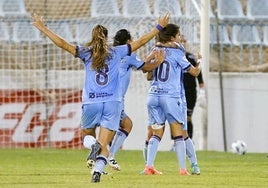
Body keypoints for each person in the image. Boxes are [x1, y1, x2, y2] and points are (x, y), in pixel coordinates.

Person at [31, 12, 169, 183]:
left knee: (87, 135)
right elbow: (140, 42)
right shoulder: (117, 51)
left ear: (93, 37)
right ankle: (97, 172)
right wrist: (158, 27)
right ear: (107, 37)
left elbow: (62, 44)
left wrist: (42, 28)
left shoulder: (85, 53)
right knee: (105, 143)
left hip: (91, 102)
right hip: (112, 103)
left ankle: (92, 146)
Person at [142, 23, 201, 175]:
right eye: (179, 34)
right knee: (180, 134)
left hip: (154, 95)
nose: (181, 37)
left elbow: (146, 70)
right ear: (173, 37)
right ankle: (183, 169)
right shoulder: (177, 53)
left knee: (156, 133)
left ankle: (149, 166)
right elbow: (194, 72)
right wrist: (200, 62)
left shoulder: (155, 50)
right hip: (171, 96)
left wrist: (155, 64)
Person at [108, 29, 165, 171]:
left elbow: (140, 64)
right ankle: (107, 156)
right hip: (116, 99)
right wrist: (158, 61)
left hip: (104, 95)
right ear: (128, 41)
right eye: (131, 39)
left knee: (123, 125)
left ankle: (105, 155)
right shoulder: (128, 54)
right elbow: (146, 69)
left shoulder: (111, 54)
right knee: (123, 126)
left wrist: (150, 56)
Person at [181, 35, 205, 139]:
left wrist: (202, 93)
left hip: (190, 93)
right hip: (176, 93)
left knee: (187, 118)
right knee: (176, 120)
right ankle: (175, 142)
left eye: (184, 41)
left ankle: (189, 141)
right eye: (180, 41)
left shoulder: (191, 58)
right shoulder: (172, 58)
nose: (182, 43)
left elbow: (199, 77)